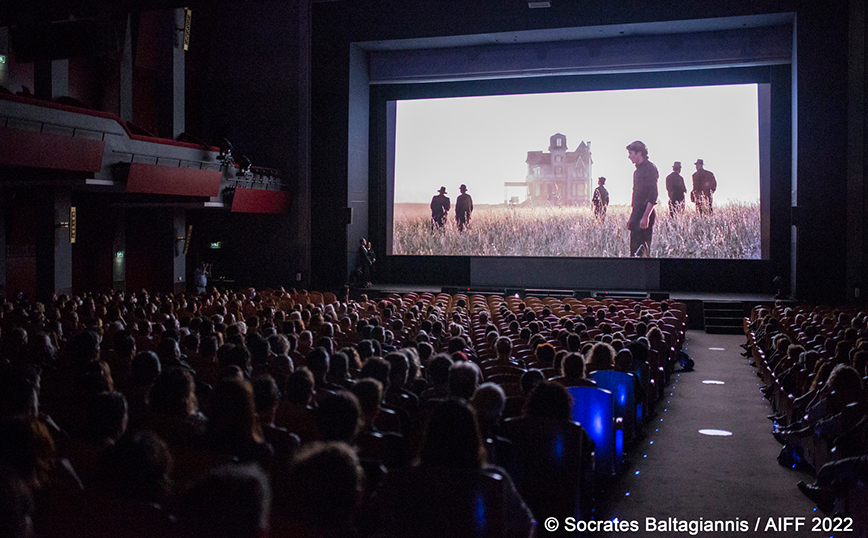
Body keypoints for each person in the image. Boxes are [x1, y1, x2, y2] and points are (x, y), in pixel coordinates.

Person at [626, 140, 659, 257]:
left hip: (644, 214)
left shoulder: (649, 169)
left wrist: (646, 216)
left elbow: (653, 195)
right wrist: (632, 217)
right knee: (634, 252)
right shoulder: (637, 171)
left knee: (643, 252)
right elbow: (637, 197)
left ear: (639, 153)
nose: (629, 157)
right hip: (637, 213)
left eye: (631, 153)